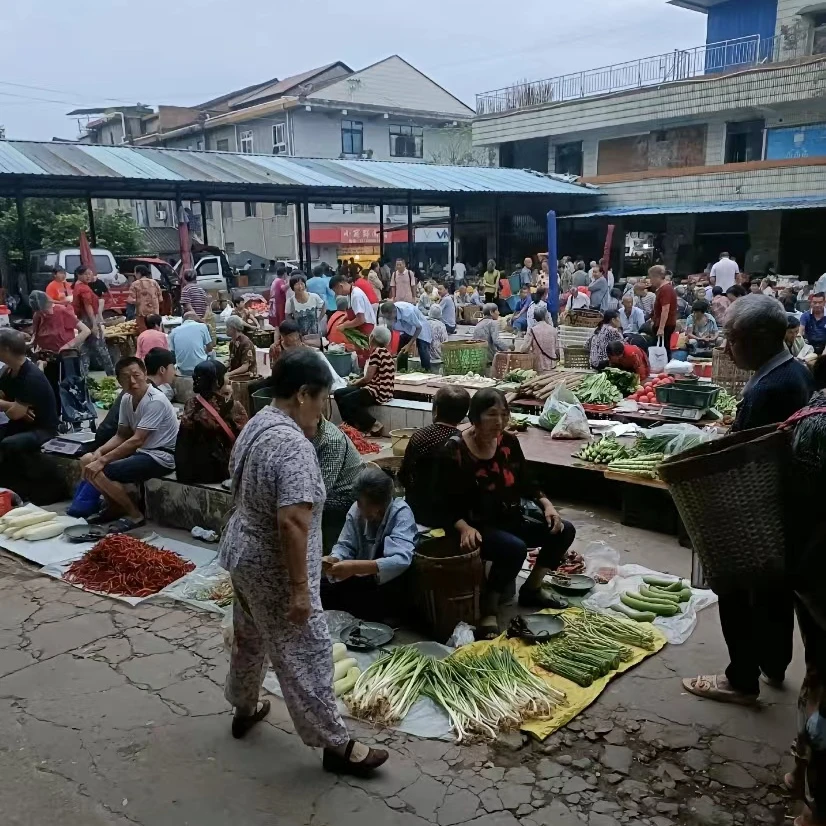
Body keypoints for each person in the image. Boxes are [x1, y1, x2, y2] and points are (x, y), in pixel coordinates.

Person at [219, 349, 388, 773]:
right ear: (301, 395)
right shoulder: (293, 445)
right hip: (274, 567)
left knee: (251, 634)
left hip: (243, 552)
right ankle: (336, 745)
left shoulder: (258, 424)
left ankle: (244, 706)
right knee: (307, 652)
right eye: (321, 400)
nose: (323, 410)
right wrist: (299, 590)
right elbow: (293, 522)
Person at [683, 295, 813, 706]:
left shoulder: (771, 387)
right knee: (775, 590)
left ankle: (741, 678)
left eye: (731, 338)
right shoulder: (792, 371)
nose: (725, 347)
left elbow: (745, 454)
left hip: (757, 508)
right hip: (783, 509)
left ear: (757, 339)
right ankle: (774, 664)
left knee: (736, 588)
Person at [436, 389, 576, 639]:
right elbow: (440, 502)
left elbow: (527, 481)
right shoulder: (454, 449)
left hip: (509, 516)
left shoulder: (509, 442)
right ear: (475, 418)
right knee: (513, 548)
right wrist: (463, 527)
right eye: (491, 414)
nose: (499, 421)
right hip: (473, 524)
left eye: (504, 414)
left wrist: (547, 505)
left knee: (563, 530)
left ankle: (532, 588)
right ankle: (489, 608)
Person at [79, 356, 179, 532]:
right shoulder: (126, 398)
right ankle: (114, 506)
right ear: (119, 381)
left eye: (136, 375)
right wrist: (100, 452)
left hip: (161, 456)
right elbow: (122, 434)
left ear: (145, 374)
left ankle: (135, 515)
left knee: (101, 470)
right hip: (142, 452)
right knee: (87, 459)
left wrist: (102, 460)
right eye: (126, 377)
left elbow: (136, 439)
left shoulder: (155, 400)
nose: (132, 381)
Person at [321, 466, 417, 618]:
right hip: (361, 579)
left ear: (380, 506)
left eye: (364, 503)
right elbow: (345, 544)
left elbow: (401, 560)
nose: (359, 507)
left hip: (387, 584)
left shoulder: (400, 512)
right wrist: (335, 558)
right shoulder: (356, 510)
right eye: (358, 502)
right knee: (322, 590)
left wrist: (355, 567)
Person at [399, 385, 470, 526]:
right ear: (463, 416)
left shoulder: (419, 436)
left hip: (416, 511)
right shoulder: (464, 441)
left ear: (436, 410)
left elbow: (404, 475)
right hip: (451, 516)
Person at [0, 330, 59, 498]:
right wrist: (12, 405)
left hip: (42, 428)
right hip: (21, 424)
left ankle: (22, 491)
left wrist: (12, 408)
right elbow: (11, 407)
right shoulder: (8, 371)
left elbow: (14, 415)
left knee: (9, 444)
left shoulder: (31, 377)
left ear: (6, 349)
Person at [175, 360, 248, 484]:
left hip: (191, 471)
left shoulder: (190, 404)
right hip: (221, 472)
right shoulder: (232, 406)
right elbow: (245, 438)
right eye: (225, 375)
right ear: (218, 381)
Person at [92, 347, 176, 448]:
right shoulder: (146, 392)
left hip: (103, 436)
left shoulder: (134, 388)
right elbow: (133, 438)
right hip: (113, 442)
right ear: (162, 370)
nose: (175, 372)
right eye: (173, 367)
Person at [310, 416, 363, 553]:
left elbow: (319, 493)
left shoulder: (331, 440)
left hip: (347, 496)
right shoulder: (305, 431)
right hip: (328, 490)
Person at [333, 326, 395, 435]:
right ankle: (350, 426)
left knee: (347, 400)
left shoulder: (377, 352)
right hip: (384, 390)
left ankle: (373, 424)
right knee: (338, 393)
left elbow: (367, 378)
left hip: (378, 391)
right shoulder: (386, 352)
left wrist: (354, 382)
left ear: (372, 337)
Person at [72, 265, 115, 376]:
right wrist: (94, 324)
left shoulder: (77, 286)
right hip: (89, 321)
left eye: (90, 273)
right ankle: (112, 375)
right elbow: (88, 307)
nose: (88, 276)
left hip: (83, 322)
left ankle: (83, 376)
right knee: (102, 349)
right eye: (86, 274)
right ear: (79, 275)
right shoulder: (83, 288)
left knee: (85, 350)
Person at [380, 300, 432, 372]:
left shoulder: (407, 312)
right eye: (386, 317)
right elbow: (389, 330)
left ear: (394, 312)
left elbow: (419, 328)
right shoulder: (388, 313)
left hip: (420, 326)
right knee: (401, 351)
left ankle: (427, 372)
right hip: (406, 328)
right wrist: (388, 349)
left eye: (389, 317)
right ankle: (402, 371)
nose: (388, 319)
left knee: (422, 348)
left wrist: (409, 345)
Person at [169, 311, 213, 376]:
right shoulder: (202, 326)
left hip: (183, 369)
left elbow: (172, 352)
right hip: (200, 367)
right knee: (213, 352)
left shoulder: (174, 331)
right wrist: (203, 351)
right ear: (194, 318)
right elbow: (210, 347)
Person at [649, 265, 677, 361]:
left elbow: (666, 309)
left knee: (664, 348)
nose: (650, 281)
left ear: (656, 276)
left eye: (651, 277)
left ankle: (665, 367)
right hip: (661, 323)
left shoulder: (666, 289)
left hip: (666, 324)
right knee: (663, 347)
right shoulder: (661, 289)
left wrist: (661, 328)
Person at [519, 304, 559, 372]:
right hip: (552, 365)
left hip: (538, 365)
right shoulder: (553, 330)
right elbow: (557, 349)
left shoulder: (532, 331)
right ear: (545, 316)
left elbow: (524, 349)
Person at [127, 264, 162, 333]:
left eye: (135, 272)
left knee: (144, 333)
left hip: (142, 314)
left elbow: (131, 300)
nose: (134, 274)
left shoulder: (135, 284)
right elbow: (160, 299)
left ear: (139, 273)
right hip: (155, 314)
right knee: (156, 332)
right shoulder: (154, 283)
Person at [225, 316, 258, 380]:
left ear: (233, 328)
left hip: (247, 376)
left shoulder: (246, 343)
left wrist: (229, 374)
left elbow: (245, 367)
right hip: (236, 373)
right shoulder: (233, 342)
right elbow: (231, 360)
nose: (226, 330)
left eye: (227, 327)